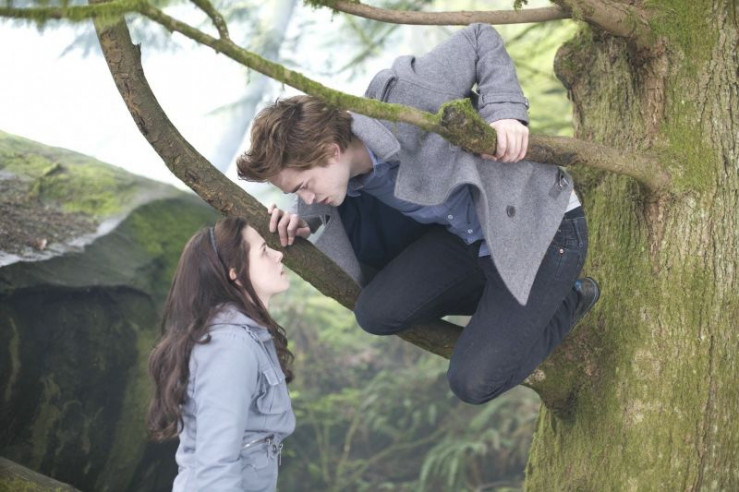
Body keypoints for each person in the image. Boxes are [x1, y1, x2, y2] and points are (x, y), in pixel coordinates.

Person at [237, 23, 600, 404]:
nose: (306, 197)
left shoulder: (402, 97)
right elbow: (321, 211)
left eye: (303, 186)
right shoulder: (335, 179)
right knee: (376, 313)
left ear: (331, 151)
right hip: (469, 242)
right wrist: (301, 222)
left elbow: (479, 38)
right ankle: (507, 313)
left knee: (473, 383)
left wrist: (505, 113)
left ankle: (570, 298)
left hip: (540, 229)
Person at [147, 216, 295, 491]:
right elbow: (216, 468)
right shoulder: (230, 347)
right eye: (264, 250)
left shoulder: (246, 337)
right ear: (235, 273)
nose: (278, 255)